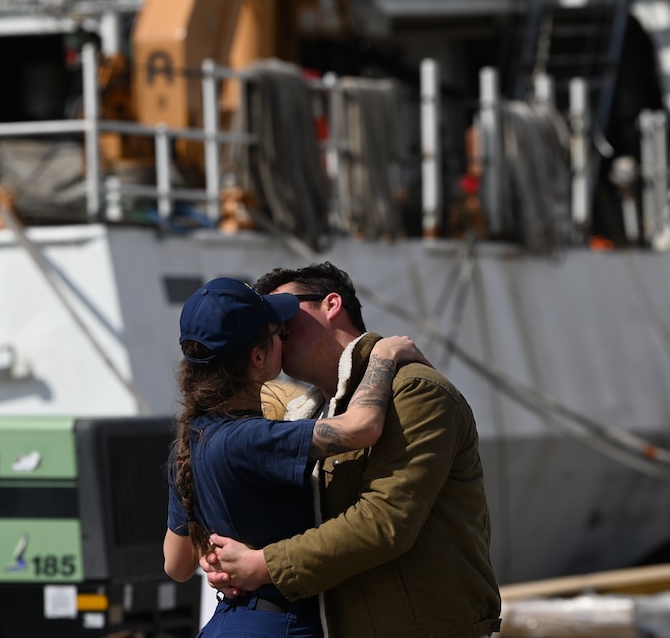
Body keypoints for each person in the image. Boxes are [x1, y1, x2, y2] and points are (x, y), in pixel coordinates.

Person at [201, 262, 502, 637]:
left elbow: (386, 521)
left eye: (285, 313)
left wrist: (265, 565)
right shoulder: (310, 416)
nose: (275, 329)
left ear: (331, 305)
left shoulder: (411, 391)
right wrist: (225, 557)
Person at [164, 276, 427, 637]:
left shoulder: (189, 443)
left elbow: (176, 565)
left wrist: (216, 557)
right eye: (277, 332)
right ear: (258, 357)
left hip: (226, 624)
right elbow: (362, 426)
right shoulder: (251, 438)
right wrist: (382, 356)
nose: (284, 335)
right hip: (282, 625)